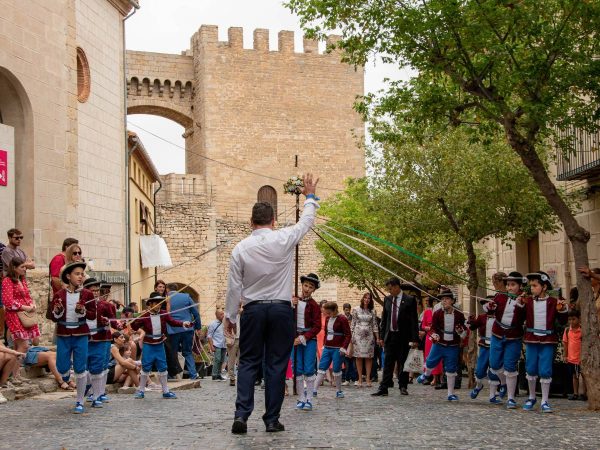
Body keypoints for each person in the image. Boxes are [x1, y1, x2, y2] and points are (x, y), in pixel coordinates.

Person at [224, 173, 319, 435]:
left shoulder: (240, 248)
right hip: (280, 309)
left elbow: (234, 287)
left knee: (248, 362)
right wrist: (309, 196)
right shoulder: (283, 238)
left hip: (253, 309)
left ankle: (241, 416)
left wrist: (230, 316)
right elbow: (306, 222)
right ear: (274, 221)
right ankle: (271, 420)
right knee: (276, 364)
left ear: (251, 222)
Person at [50, 261, 96, 414]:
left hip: (81, 334)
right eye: (77, 274)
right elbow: (52, 316)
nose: (80, 276)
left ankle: (80, 400)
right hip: (63, 334)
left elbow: (92, 315)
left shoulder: (87, 294)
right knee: (62, 369)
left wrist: (82, 311)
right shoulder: (59, 295)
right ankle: (80, 381)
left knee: (80, 367)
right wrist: (58, 310)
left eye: (82, 274)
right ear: (68, 276)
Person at [521, 271, 568, 413]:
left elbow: (562, 321)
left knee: (545, 370)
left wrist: (563, 309)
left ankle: (545, 401)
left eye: (534, 285)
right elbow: (519, 318)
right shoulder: (527, 301)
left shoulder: (554, 303)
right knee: (530, 368)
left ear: (544, 287)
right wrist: (519, 304)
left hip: (548, 340)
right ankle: (531, 397)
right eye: (531, 286)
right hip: (531, 339)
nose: (532, 288)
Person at [130, 292, 192, 399]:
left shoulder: (164, 314)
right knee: (145, 367)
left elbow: (172, 322)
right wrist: (136, 319)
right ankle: (141, 391)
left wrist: (183, 323)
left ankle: (166, 391)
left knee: (163, 367)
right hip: (148, 344)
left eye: (159, 303)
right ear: (150, 304)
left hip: (159, 344)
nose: (158, 305)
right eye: (156, 303)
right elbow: (134, 326)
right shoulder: (145, 315)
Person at [372, 277, 419, 397]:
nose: (389, 291)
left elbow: (414, 320)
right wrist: (382, 337)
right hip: (390, 335)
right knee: (388, 362)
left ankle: (403, 385)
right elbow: (385, 319)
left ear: (397, 286)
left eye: (390, 288)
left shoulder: (409, 300)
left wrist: (415, 338)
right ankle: (384, 387)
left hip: (403, 336)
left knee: (402, 361)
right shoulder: (387, 299)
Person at [417, 290, 466, 401]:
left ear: (452, 301)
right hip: (439, 343)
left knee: (451, 369)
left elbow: (464, 330)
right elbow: (433, 327)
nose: (444, 301)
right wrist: (434, 334)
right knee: (430, 361)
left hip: (453, 345)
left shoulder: (459, 315)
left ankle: (450, 393)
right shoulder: (437, 313)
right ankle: (426, 374)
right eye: (442, 299)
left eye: (447, 299)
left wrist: (461, 331)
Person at [487, 271, 527, 409]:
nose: (510, 288)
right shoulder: (499, 296)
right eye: (508, 285)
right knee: (494, 364)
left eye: (513, 285)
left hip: (514, 337)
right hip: (497, 334)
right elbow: (491, 310)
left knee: (510, 366)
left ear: (520, 286)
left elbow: (526, 314)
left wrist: (521, 304)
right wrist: (490, 307)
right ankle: (503, 383)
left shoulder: (525, 299)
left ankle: (511, 398)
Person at [291, 273, 321, 411]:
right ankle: (301, 398)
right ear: (302, 285)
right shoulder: (294, 300)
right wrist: (291, 306)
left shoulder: (314, 305)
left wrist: (304, 337)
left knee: (309, 368)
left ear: (314, 289)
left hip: (308, 339)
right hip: (295, 339)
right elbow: (287, 319)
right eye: (306, 285)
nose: (307, 288)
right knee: (297, 368)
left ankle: (309, 398)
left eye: (311, 287)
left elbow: (317, 326)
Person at [84, 278, 117, 406]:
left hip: (103, 338)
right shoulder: (81, 306)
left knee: (101, 366)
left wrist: (109, 323)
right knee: (85, 367)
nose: (96, 293)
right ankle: (90, 389)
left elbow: (113, 322)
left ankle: (98, 392)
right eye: (93, 291)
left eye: (98, 290)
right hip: (86, 339)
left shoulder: (107, 306)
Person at [2, 257, 41, 355]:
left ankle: (17, 365)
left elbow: (27, 295)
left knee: (34, 341)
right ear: (14, 267)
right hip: (15, 315)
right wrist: (24, 307)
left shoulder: (22, 279)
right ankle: (15, 367)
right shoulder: (7, 280)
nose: (25, 269)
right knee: (23, 345)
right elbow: (8, 302)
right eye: (22, 267)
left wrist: (32, 304)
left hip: (26, 314)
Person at [468, 297, 503, 404]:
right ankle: (479, 386)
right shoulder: (482, 317)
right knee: (479, 371)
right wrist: (470, 321)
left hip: (496, 346)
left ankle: (492, 396)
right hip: (484, 346)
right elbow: (472, 327)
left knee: (494, 370)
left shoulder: (499, 318)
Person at [314, 301, 351, 400]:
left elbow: (348, 335)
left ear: (335, 310)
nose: (327, 315)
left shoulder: (342, 319)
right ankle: (314, 390)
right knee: (322, 368)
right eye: (326, 313)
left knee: (336, 369)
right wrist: (324, 344)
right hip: (327, 347)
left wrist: (344, 347)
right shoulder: (327, 318)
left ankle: (339, 390)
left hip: (338, 348)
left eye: (329, 313)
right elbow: (326, 333)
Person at [166, 283, 201, 380]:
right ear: (177, 289)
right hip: (187, 328)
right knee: (187, 352)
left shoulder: (166, 298)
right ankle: (193, 374)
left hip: (173, 330)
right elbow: (196, 312)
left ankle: (172, 375)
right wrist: (198, 327)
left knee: (173, 352)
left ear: (167, 290)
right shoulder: (186, 297)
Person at [350, 292, 379, 388]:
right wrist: (350, 337)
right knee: (358, 357)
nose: (367, 300)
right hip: (357, 336)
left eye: (369, 298)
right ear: (362, 299)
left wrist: (377, 337)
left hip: (369, 336)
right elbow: (353, 324)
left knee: (369, 357)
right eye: (365, 298)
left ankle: (368, 378)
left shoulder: (373, 311)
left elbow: (375, 325)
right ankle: (359, 378)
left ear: (371, 300)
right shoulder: (356, 309)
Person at [563, 309, 586, 401]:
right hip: (571, 358)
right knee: (574, 376)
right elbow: (565, 343)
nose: (571, 321)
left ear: (579, 319)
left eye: (574, 319)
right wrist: (565, 355)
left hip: (581, 358)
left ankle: (584, 393)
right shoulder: (567, 330)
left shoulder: (582, 330)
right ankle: (575, 393)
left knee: (584, 376)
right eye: (570, 319)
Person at [420, 295, 443, 387]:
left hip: (439, 336)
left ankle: (441, 378)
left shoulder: (440, 312)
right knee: (429, 357)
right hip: (429, 337)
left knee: (439, 357)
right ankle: (432, 378)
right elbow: (422, 326)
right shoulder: (427, 312)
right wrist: (429, 328)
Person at [207, 309, 227, 380]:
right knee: (217, 359)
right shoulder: (212, 324)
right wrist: (211, 346)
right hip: (216, 344)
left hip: (224, 345)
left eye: (223, 314)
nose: (223, 315)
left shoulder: (225, 323)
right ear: (217, 315)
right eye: (221, 314)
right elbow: (209, 336)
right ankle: (214, 374)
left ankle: (219, 374)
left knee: (222, 360)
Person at [341, 302, 357, 386]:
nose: (347, 311)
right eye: (346, 310)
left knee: (353, 363)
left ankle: (354, 378)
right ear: (343, 310)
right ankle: (346, 378)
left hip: (352, 341)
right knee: (346, 362)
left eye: (348, 310)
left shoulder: (353, 318)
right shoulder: (342, 318)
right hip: (345, 341)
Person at [226, 304, 242, 386]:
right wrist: (228, 336)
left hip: (242, 339)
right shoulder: (229, 315)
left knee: (242, 360)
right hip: (232, 340)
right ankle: (232, 378)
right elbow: (224, 327)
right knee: (231, 360)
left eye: (239, 306)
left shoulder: (244, 315)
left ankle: (242, 378)